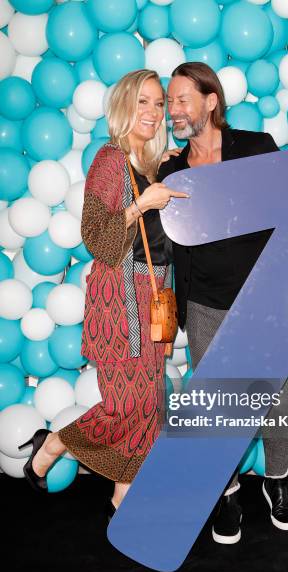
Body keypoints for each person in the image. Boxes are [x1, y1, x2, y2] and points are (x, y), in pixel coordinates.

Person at [158, 62, 288, 545]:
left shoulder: (257, 148)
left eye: (181, 99)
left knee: (275, 400)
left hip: (267, 298)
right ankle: (228, 491)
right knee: (219, 405)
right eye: (169, 101)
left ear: (210, 101)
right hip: (205, 306)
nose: (173, 109)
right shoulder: (171, 171)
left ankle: (277, 483)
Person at [18, 69, 188, 521]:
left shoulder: (150, 165)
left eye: (158, 104)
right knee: (126, 404)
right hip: (119, 300)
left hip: (155, 297)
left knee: (150, 402)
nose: (153, 112)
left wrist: (161, 172)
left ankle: (123, 496)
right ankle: (54, 442)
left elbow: (164, 247)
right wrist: (141, 204)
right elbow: (94, 236)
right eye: (144, 102)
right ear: (125, 106)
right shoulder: (110, 159)